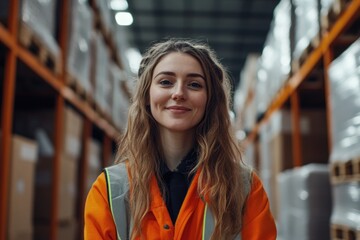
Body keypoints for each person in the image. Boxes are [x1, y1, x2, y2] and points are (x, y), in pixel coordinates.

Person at [84, 38, 277, 240]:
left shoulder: (245, 188)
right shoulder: (109, 190)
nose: (178, 93)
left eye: (194, 85)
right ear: (147, 97)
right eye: (166, 82)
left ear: (210, 100)